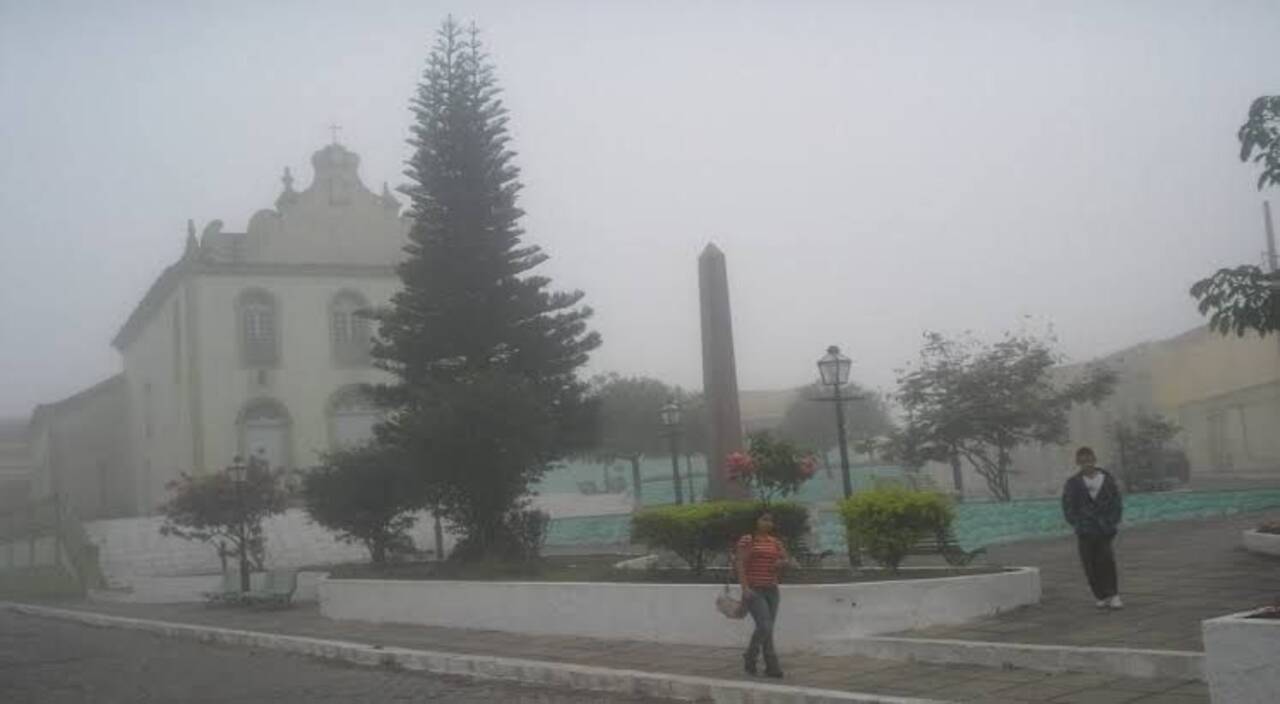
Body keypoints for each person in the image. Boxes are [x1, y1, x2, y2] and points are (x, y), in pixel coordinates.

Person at [1061, 446, 1124, 609]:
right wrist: (1077, 522)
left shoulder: (1107, 479)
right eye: (1082, 461)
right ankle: (1100, 595)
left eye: (1089, 460)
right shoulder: (1073, 483)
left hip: (1104, 530)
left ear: (1094, 460)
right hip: (1085, 530)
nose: (1086, 464)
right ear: (1077, 462)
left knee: (1107, 561)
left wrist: (1112, 522)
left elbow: (1116, 503)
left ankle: (1114, 595)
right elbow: (1068, 506)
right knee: (1089, 564)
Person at [735, 510, 789, 678]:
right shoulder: (748, 540)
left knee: (768, 629)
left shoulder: (775, 542)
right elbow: (740, 564)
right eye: (764, 520)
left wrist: (781, 563)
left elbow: (786, 559)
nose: (768, 523)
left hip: (772, 589)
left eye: (770, 521)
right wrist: (745, 588)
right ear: (756, 522)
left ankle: (772, 667)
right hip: (754, 589)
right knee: (765, 626)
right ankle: (751, 655)